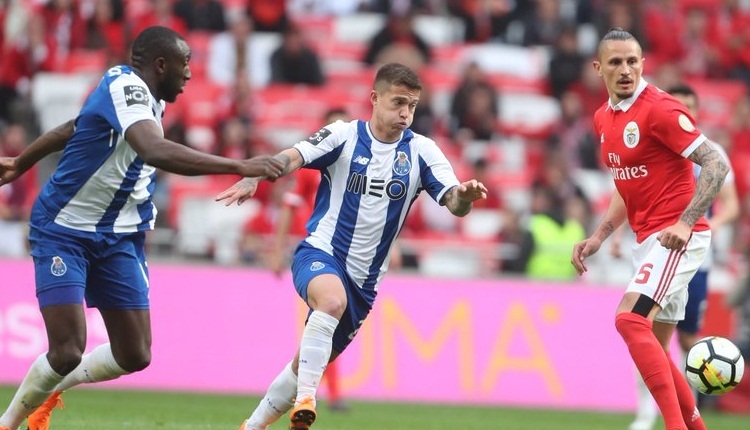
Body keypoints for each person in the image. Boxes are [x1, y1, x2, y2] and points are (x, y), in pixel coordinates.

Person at [0, 26, 284, 430]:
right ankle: (9, 421)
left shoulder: (148, 100)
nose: (189, 75)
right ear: (161, 65)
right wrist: (238, 164)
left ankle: (56, 389)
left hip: (118, 236)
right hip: (64, 229)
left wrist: (21, 161)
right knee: (67, 351)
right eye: (184, 66)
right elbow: (153, 149)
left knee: (135, 355)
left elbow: (76, 126)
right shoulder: (126, 86)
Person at [217, 62, 488, 430]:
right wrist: (256, 174)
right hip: (321, 252)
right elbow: (293, 157)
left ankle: (253, 426)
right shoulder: (343, 135)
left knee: (304, 365)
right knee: (330, 300)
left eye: (412, 105)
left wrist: (465, 197)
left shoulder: (423, 151)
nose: (405, 113)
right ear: (374, 99)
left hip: (365, 285)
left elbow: (453, 203)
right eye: (398, 103)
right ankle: (308, 400)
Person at [571, 28, 730, 430]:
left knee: (628, 321)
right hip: (648, 241)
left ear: (642, 63)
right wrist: (599, 236)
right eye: (615, 62)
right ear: (598, 68)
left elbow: (716, 164)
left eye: (632, 61)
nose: (625, 70)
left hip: (677, 237)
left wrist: (685, 221)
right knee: (656, 347)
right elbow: (627, 185)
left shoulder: (660, 109)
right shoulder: (602, 119)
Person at [615, 83, 740, 430]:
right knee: (651, 339)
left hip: (689, 246)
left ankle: (680, 419)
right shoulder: (655, 141)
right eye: (676, 103)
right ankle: (648, 414)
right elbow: (625, 188)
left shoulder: (709, 152)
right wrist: (603, 233)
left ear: (695, 112)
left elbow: (731, 205)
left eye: (688, 105)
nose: (681, 110)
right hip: (656, 243)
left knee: (668, 335)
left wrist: (698, 223)